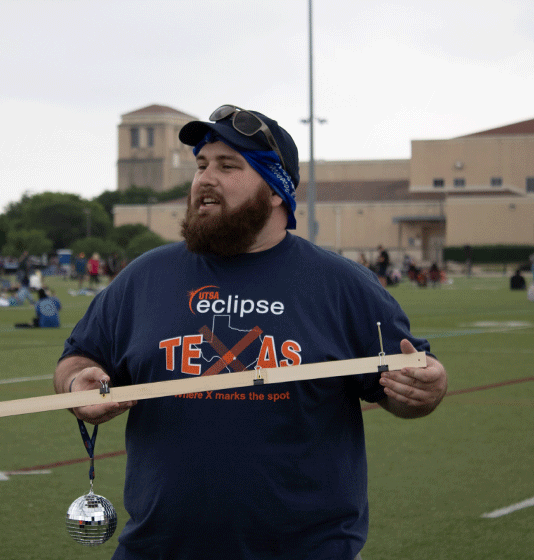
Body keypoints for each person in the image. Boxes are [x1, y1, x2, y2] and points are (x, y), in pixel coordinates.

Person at [54, 105, 447, 560]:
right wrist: (76, 382)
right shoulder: (144, 278)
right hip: (157, 550)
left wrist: (425, 389)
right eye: (201, 165)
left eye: (227, 166)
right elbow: (79, 357)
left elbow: (406, 385)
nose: (204, 178)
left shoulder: (342, 285)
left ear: (276, 189)